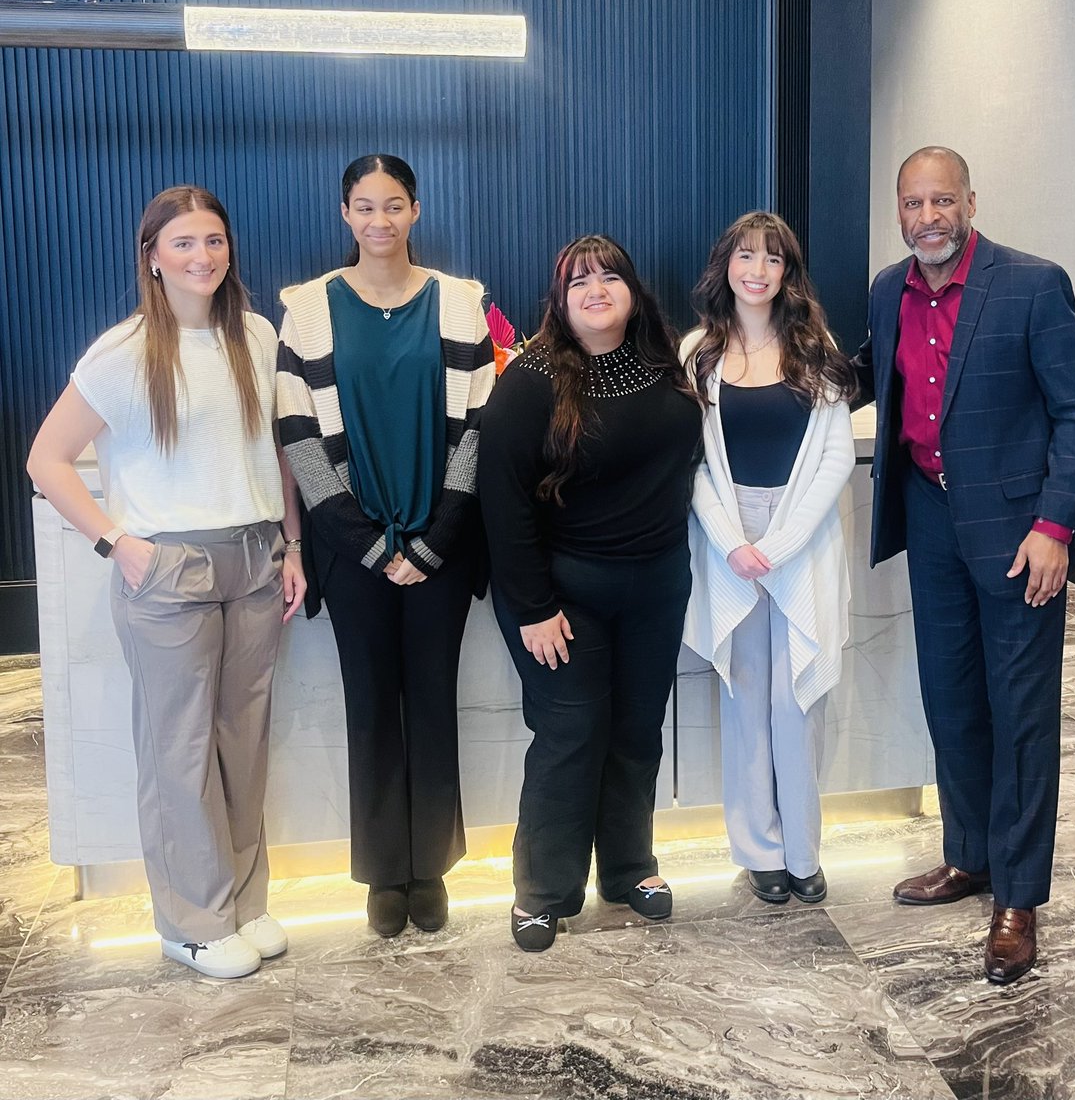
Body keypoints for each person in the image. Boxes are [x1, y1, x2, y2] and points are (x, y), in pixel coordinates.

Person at [26, 186, 306, 979]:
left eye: (214, 240)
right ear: (152, 254)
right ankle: (191, 921)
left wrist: (290, 543)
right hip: (167, 566)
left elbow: (275, 452)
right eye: (183, 243)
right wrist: (117, 542)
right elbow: (46, 460)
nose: (202, 257)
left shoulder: (255, 334)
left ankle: (243, 905)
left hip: (253, 556)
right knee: (177, 749)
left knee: (242, 744)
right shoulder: (120, 353)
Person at [854, 146, 1075, 984]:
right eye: (913, 203)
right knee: (952, 696)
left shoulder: (1033, 285)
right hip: (930, 517)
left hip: (1015, 532)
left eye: (943, 201)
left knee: (1021, 711)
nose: (928, 217)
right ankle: (968, 856)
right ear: (899, 210)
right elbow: (859, 375)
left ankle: (1019, 895)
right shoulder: (889, 288)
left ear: (970, 202)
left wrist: (1055, 526)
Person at [276, 154, 494, 938]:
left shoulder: (461, 303)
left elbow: (477, 430)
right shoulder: (305, 312)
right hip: (351, 547)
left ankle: (428, 867)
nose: (379, 221)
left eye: (393, 206)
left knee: (432, 702)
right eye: (364, 208)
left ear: (416, 211)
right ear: (345, 215)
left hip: (441, 545)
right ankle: (382, 875)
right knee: (370, 706)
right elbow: (298, 439)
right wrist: (368, 546)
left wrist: (433, 542)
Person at [478, 234, 702, 952]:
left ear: (633, 289)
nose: (595, 290)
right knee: (570, 735)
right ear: (560, 299)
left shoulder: (667, 364)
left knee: (637, 732)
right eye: (580, 282)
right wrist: (534, 608)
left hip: (657, 586)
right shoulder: (530, 379)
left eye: (609, 277)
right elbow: (503, 504)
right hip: (562, 599)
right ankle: (544, 890)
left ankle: (630, 868)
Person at [681, 212, 856, 906]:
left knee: (796, 698)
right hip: (729, 539)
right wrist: (732, 543)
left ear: (788, 274)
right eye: (746, 256)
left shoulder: (814, 346)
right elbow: (691, 462)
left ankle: (803, 851)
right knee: (745, 697)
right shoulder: (699, 349)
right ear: (726, 264)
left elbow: (837, 456)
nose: (757, 270)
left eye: (773, 259)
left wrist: (776, 546)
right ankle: (759, 852)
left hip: (799, 539)